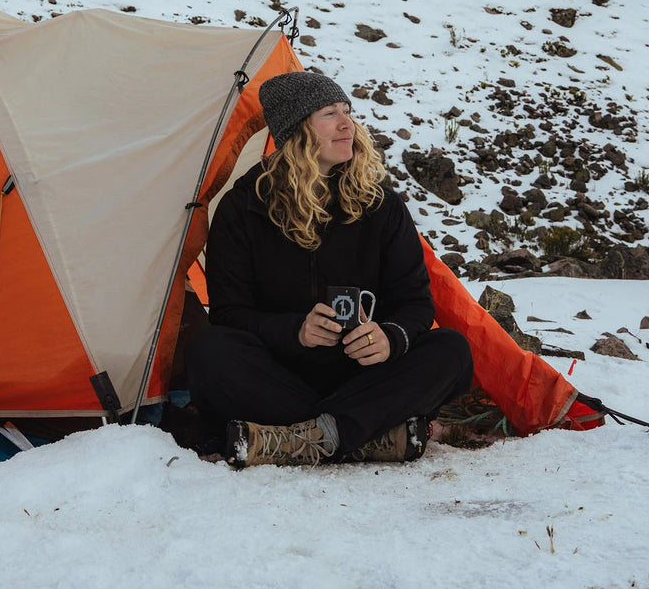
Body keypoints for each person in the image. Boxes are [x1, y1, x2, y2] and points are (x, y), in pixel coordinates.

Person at [184, 70, 474, 468]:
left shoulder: (380, 205)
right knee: (209, 351)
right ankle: (363, 434)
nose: (346, 124)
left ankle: (301, 438)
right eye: (329, 113)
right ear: (296, 130)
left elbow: (415, 303)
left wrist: (390, 337)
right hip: (281, 375)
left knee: (451, 350)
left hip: (362, 374)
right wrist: (295, 331)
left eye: (347, 111)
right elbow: (230, 314)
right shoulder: (244, 208)